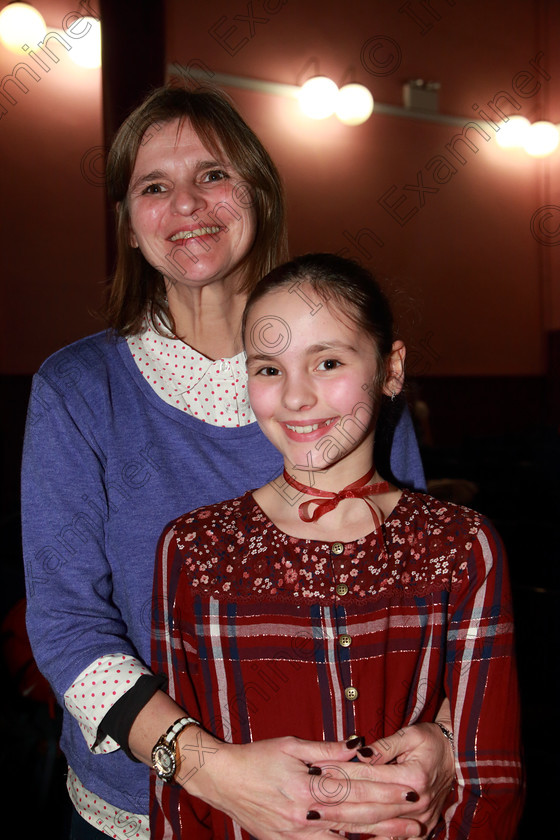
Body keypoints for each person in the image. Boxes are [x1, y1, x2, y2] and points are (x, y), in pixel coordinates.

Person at [22, 84, 450, 840]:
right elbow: (65, 623)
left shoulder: (349, 378)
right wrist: (208, 767)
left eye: (214, 175)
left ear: (261, 194)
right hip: (140, 809)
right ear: (129, 225)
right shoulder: (78, 389)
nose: (187, 203)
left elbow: (431, 592)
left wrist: (444, 741)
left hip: (350, 799)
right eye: (155, 185)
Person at [151, 253, 523, 840]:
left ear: (391, 368)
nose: (296, 397)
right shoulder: (194, 547)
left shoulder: (461, 544)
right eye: (269, 369)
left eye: (326, 361)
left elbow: (490, 777)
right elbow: (180, 799)